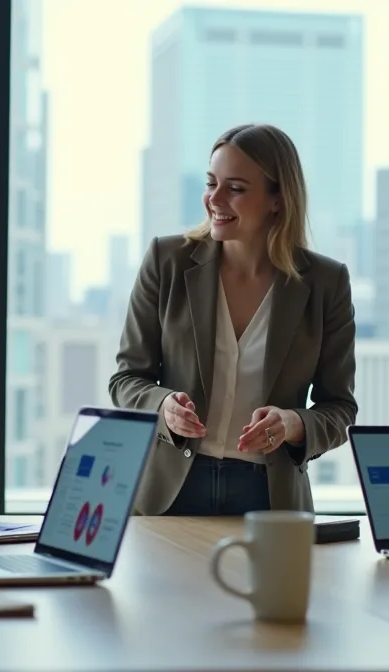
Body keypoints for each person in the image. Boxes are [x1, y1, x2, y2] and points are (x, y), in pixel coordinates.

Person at [110, 123, 357, 516]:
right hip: (168, 492)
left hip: (270, 499)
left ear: (278, 198)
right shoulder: (166, 261)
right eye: (212, 183)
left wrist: (293, 424)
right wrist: (164, 406)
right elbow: (125, 381)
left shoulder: (326, 283)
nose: (214, 199)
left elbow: (340, 409)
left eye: (236, 188)